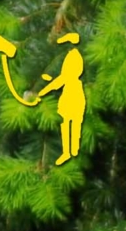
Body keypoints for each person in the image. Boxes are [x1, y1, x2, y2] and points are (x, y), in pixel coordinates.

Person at [32, 33, 86, 163]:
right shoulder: (71, 56)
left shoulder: (73, 57)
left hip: (72, 92)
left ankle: (71, 151)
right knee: (70, 122)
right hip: (71, 91)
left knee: (71, 121)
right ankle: (70, 151)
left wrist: (43, 91)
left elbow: (62, 79)